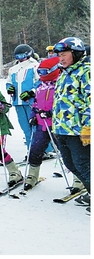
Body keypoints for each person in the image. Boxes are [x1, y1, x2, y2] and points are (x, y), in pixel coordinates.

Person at [51, 37, 90, 213]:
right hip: (62, 128)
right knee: (70, 164)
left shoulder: (86, 72)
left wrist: (88, 127)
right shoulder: (64, 73)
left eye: (64, 54)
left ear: (75, 53)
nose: (61, 58)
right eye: (59, 55)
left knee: (83, 164)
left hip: (79, 130)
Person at [24, 56, 67, 190]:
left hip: (58, 126)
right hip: (42, 125)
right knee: (35, 150)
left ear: (54, 70)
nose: (41, 75)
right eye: (40, 72)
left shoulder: (61, 83)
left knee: (66, 153)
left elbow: (65, 104)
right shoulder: (41, 86)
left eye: (44, 72)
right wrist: (33, 115)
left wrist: (52, 113)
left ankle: (79, 181)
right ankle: (32, 176)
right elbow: (36, 103)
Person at [6, 44, 45, 160]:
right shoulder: (13, 69)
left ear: (28, 54)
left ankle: (41, 150)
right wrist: (10, 88)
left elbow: (40, 81)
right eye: (18, 56)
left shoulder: (34, 66)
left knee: (35, 126)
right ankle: (31, 150)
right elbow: (9, 82)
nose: (20, 58)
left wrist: (31, 92)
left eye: (23, 55)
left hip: (31, 101)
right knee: (25, 128)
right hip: (18, 102)